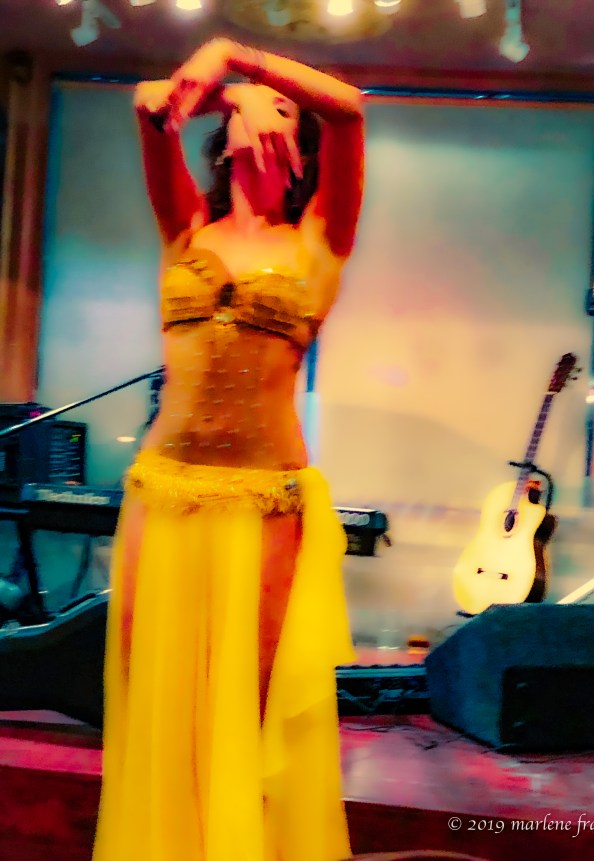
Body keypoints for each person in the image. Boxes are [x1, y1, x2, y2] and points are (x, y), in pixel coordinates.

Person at [92, 37, 364, 861]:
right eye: (253, 104)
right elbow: (149, 104)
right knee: (156, 697)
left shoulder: (320, 238)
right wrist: (229, 89)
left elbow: (349, 109)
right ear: (223, 131)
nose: (263, 108)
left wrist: (238, 57)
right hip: (162, 496)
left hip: (264, 503)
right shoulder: (184, 226)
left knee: (247, 707)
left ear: (298, 142)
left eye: (282, 108)